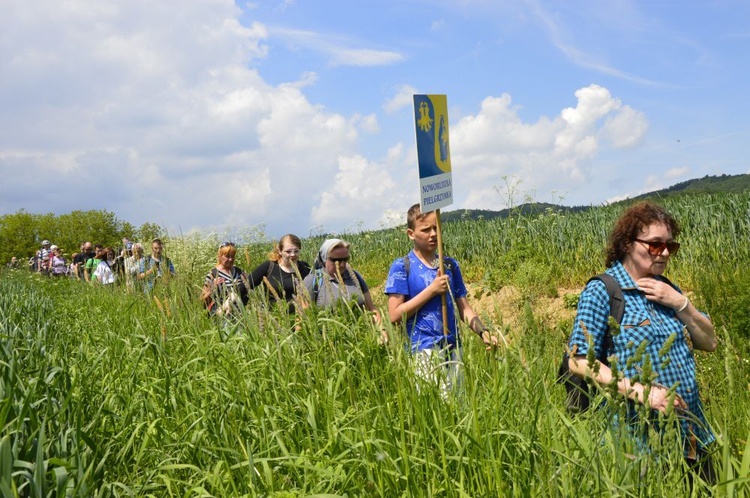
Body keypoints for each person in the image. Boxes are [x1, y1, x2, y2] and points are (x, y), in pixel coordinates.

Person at [566, 201, 717, 484]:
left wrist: (681, 303)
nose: (663, 253)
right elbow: (578, 360)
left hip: (693, 436)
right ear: (627, 243)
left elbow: (710, 343)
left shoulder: (668, 289)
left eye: (670, 246)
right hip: (638, 444)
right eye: (654, 244)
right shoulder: (603, 290)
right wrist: (643, 393)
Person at [385, 204, 497, 392]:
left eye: (436, 228)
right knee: (434, 410)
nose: (433, 234)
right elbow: (395, 316)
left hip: (453, 348)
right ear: (411, 234)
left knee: (458, 408)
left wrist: (483, 332)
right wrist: (432, 290)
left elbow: (464, 309)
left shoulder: (449, 265)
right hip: (422, 350)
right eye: (426, 229)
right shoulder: (401, 267)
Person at [303, 238, 381, 323]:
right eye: (336, 260)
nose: (343, 264)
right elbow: (302, 318)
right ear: (324, 259)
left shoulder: (354, 276)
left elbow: (371, 309)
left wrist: (382, 331)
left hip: (361, 333)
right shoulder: (313, 281)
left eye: (346, 259)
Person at [248, 234, 311, 312]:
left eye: (296, 251)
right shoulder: (269, 267)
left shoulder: (305, 267)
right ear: (280, 251)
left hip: (301, 318)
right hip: (275, 318)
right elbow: (246, 285)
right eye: (288, 251)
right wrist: (231, 297)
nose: (293, 254)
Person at [200, 242, 250, 318]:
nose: (230, 259)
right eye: (227, 256)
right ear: (220, 256)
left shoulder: (240, 272)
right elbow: (203, 301)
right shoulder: (213, 274)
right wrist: (213, 288)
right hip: (222, 314)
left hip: (242, 313)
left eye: (232, 256)